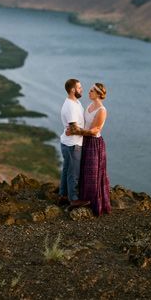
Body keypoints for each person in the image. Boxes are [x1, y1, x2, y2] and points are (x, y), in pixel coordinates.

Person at [66, 82, 111, 216]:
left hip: (94, 144)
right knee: (84, 172)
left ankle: (95, 204)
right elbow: (83, 125)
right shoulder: (89, 106)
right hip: (84, 141)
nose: (88, 92)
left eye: (91, 91)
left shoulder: (102, 110)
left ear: (98, 94)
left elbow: (94, 131)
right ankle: (83, 199)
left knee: (93, 174)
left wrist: (75, 132)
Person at [58, 78, 90, 208]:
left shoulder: (76, 102)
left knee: (66, 171)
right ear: (72, 90)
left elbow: (74, 128)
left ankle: (63, 196)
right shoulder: (71, 106)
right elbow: (73, 129)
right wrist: (91, 133)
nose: (82, 89)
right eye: (79, 87)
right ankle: (74, 199)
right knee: (73, 173)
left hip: (70, 142)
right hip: (72, 145)